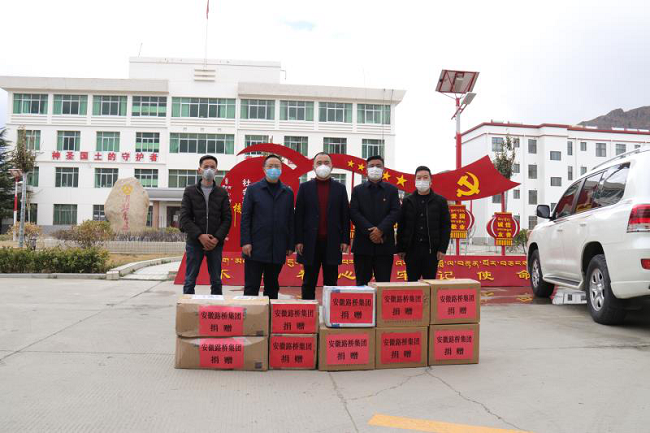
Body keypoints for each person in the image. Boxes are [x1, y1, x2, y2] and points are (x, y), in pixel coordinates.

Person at [294, 152, 350, 300]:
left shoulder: (340, 188)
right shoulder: (304, 188)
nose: (323, 166)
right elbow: (298, 216)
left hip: (332, 242)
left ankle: (330, 311)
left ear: (332, 166)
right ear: (313, 167)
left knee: (331, 281)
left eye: (326, 163)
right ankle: (308, 309)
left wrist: (345, 240)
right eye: (319, 163)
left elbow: (345, 215)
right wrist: (298, 240)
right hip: (309, 242)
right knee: (308, 281)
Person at [240, 154, 295, 299]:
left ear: (281, 169)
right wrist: (245, 242)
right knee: (251, 286)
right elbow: (245, 217)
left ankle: (269, 313)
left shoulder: (287, 192)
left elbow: (291, 219)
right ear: (264, 169)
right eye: (270, 166)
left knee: (272, 286)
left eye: (277, 166)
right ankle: (251, 313)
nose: (274, 169)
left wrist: (290, 244)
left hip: (278, 247)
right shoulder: (253, 189)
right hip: (255, 247)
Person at [179, 155, 232, 295]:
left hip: (215, 244)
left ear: (217, 171)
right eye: (206, 167)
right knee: (190, 280)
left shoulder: (222, 193)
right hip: (194, 242)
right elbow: (184, 217)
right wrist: (200, 236)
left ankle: (216, 306)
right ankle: (188, 306)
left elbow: (227, 219)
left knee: (216, 280)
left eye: (212, 167)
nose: (209, 170)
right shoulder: (190, 191)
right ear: (199, 170)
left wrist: (217, 238)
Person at [349, 155, 401, 286]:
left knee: (383, 285)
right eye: (371, 166)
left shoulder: (392, 190)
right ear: (366, 170)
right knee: (362, 285)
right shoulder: (357, 190)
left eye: (378, 166)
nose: (375, 168)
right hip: (362, 246)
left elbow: (395, 212)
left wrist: (380, 230)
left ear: (383, 169)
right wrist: (372, 232)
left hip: (384, 245)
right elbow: (354, 213)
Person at [396, 166, 451, 281]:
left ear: (431, 181)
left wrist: (442, 248)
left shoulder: (440, 201)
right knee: (412, 283)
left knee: (430, 283)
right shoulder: (407, 201)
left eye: (425, 178)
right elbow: (401, 226)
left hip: (432, 251)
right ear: (415, 181)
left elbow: (445, 226)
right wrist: (400, 248)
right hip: (411, 250)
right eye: (419, 178)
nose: (422, 180)